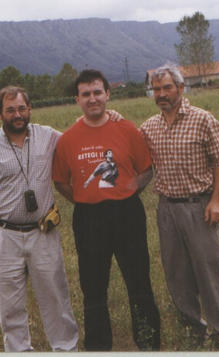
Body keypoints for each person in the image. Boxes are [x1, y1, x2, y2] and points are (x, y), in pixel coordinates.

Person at [52, 69, 160, 351]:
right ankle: (99, 347)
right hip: (89, 218)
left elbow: (146, 170)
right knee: (93, 287)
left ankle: (148, 342)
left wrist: (125, 192)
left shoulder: (127, 129)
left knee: (139, 282)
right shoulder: (68, 139)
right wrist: (85, 199)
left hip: (127, 213)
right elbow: (61, 181)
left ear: (108, 94)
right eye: (86, 94)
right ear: (77, 99)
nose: (93, 99)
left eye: (97, 92)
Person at [0, 85, 78, 352]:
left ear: (29, 109)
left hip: (43, 231)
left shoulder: (48, 136)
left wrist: (109, 118)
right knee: (10, 304)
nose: (17, 114)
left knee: (55, 296)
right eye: (10, 110)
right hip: (3, 235)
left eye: (21, 108)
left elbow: (79, 140)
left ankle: (65, 348)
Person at [140, 64, 219, 350]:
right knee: (176, 272)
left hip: (200, 207)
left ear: (181, 89)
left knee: (209, 269)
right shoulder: (149, 127)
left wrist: (216, 200)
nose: (161, 94)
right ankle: (193, 328)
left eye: (167, 87)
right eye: (156, 89)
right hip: (167, 210)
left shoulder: (203, 119)